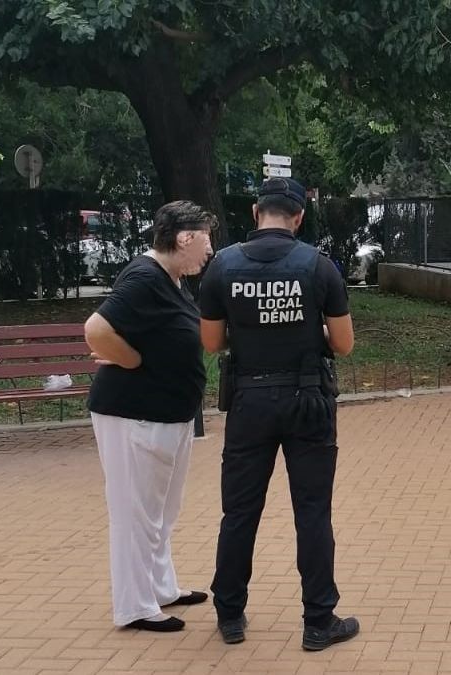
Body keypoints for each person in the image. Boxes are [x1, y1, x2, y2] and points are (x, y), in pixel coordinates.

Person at [198, 177, 358, 651]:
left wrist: (250, 337)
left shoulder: (222, 267)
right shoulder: (318, 266)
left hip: (249, 401)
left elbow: (211, 342)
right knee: (312, 512)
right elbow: (344, 345)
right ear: (299, 217)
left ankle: (229, 614)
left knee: (239, 511)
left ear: (255, 212)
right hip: (308, 401)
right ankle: (318, 622)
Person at [83, 200, 216, 633]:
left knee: (161, 510)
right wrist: (134, 360)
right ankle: (135, 606)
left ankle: (161, 587)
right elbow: (97, 330)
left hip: (166, 416)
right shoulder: (143, 277)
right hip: (133, 416)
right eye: (206, 238)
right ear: (185, 238)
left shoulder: (171, 281)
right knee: (135, 511)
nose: (210, 249)